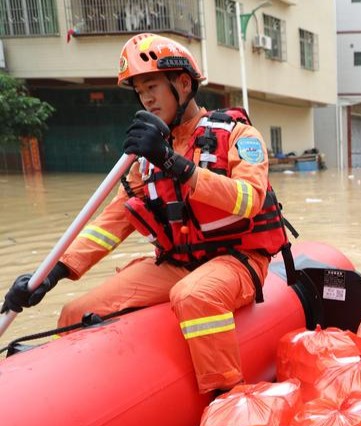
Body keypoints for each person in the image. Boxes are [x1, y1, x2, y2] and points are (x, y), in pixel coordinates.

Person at [1, 33, 290, 394]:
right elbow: (113, 222)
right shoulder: (147, 157)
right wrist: (53, 272)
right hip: (177, 262)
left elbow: (248, 199)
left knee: (194, 295)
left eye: (152, 85)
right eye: (140, 91)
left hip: (236, 260)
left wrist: (175, 164)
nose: (146, 98)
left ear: (182, 84)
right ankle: (76, 398)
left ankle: (227, 397)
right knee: (76, 311)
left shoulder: (239, 135)